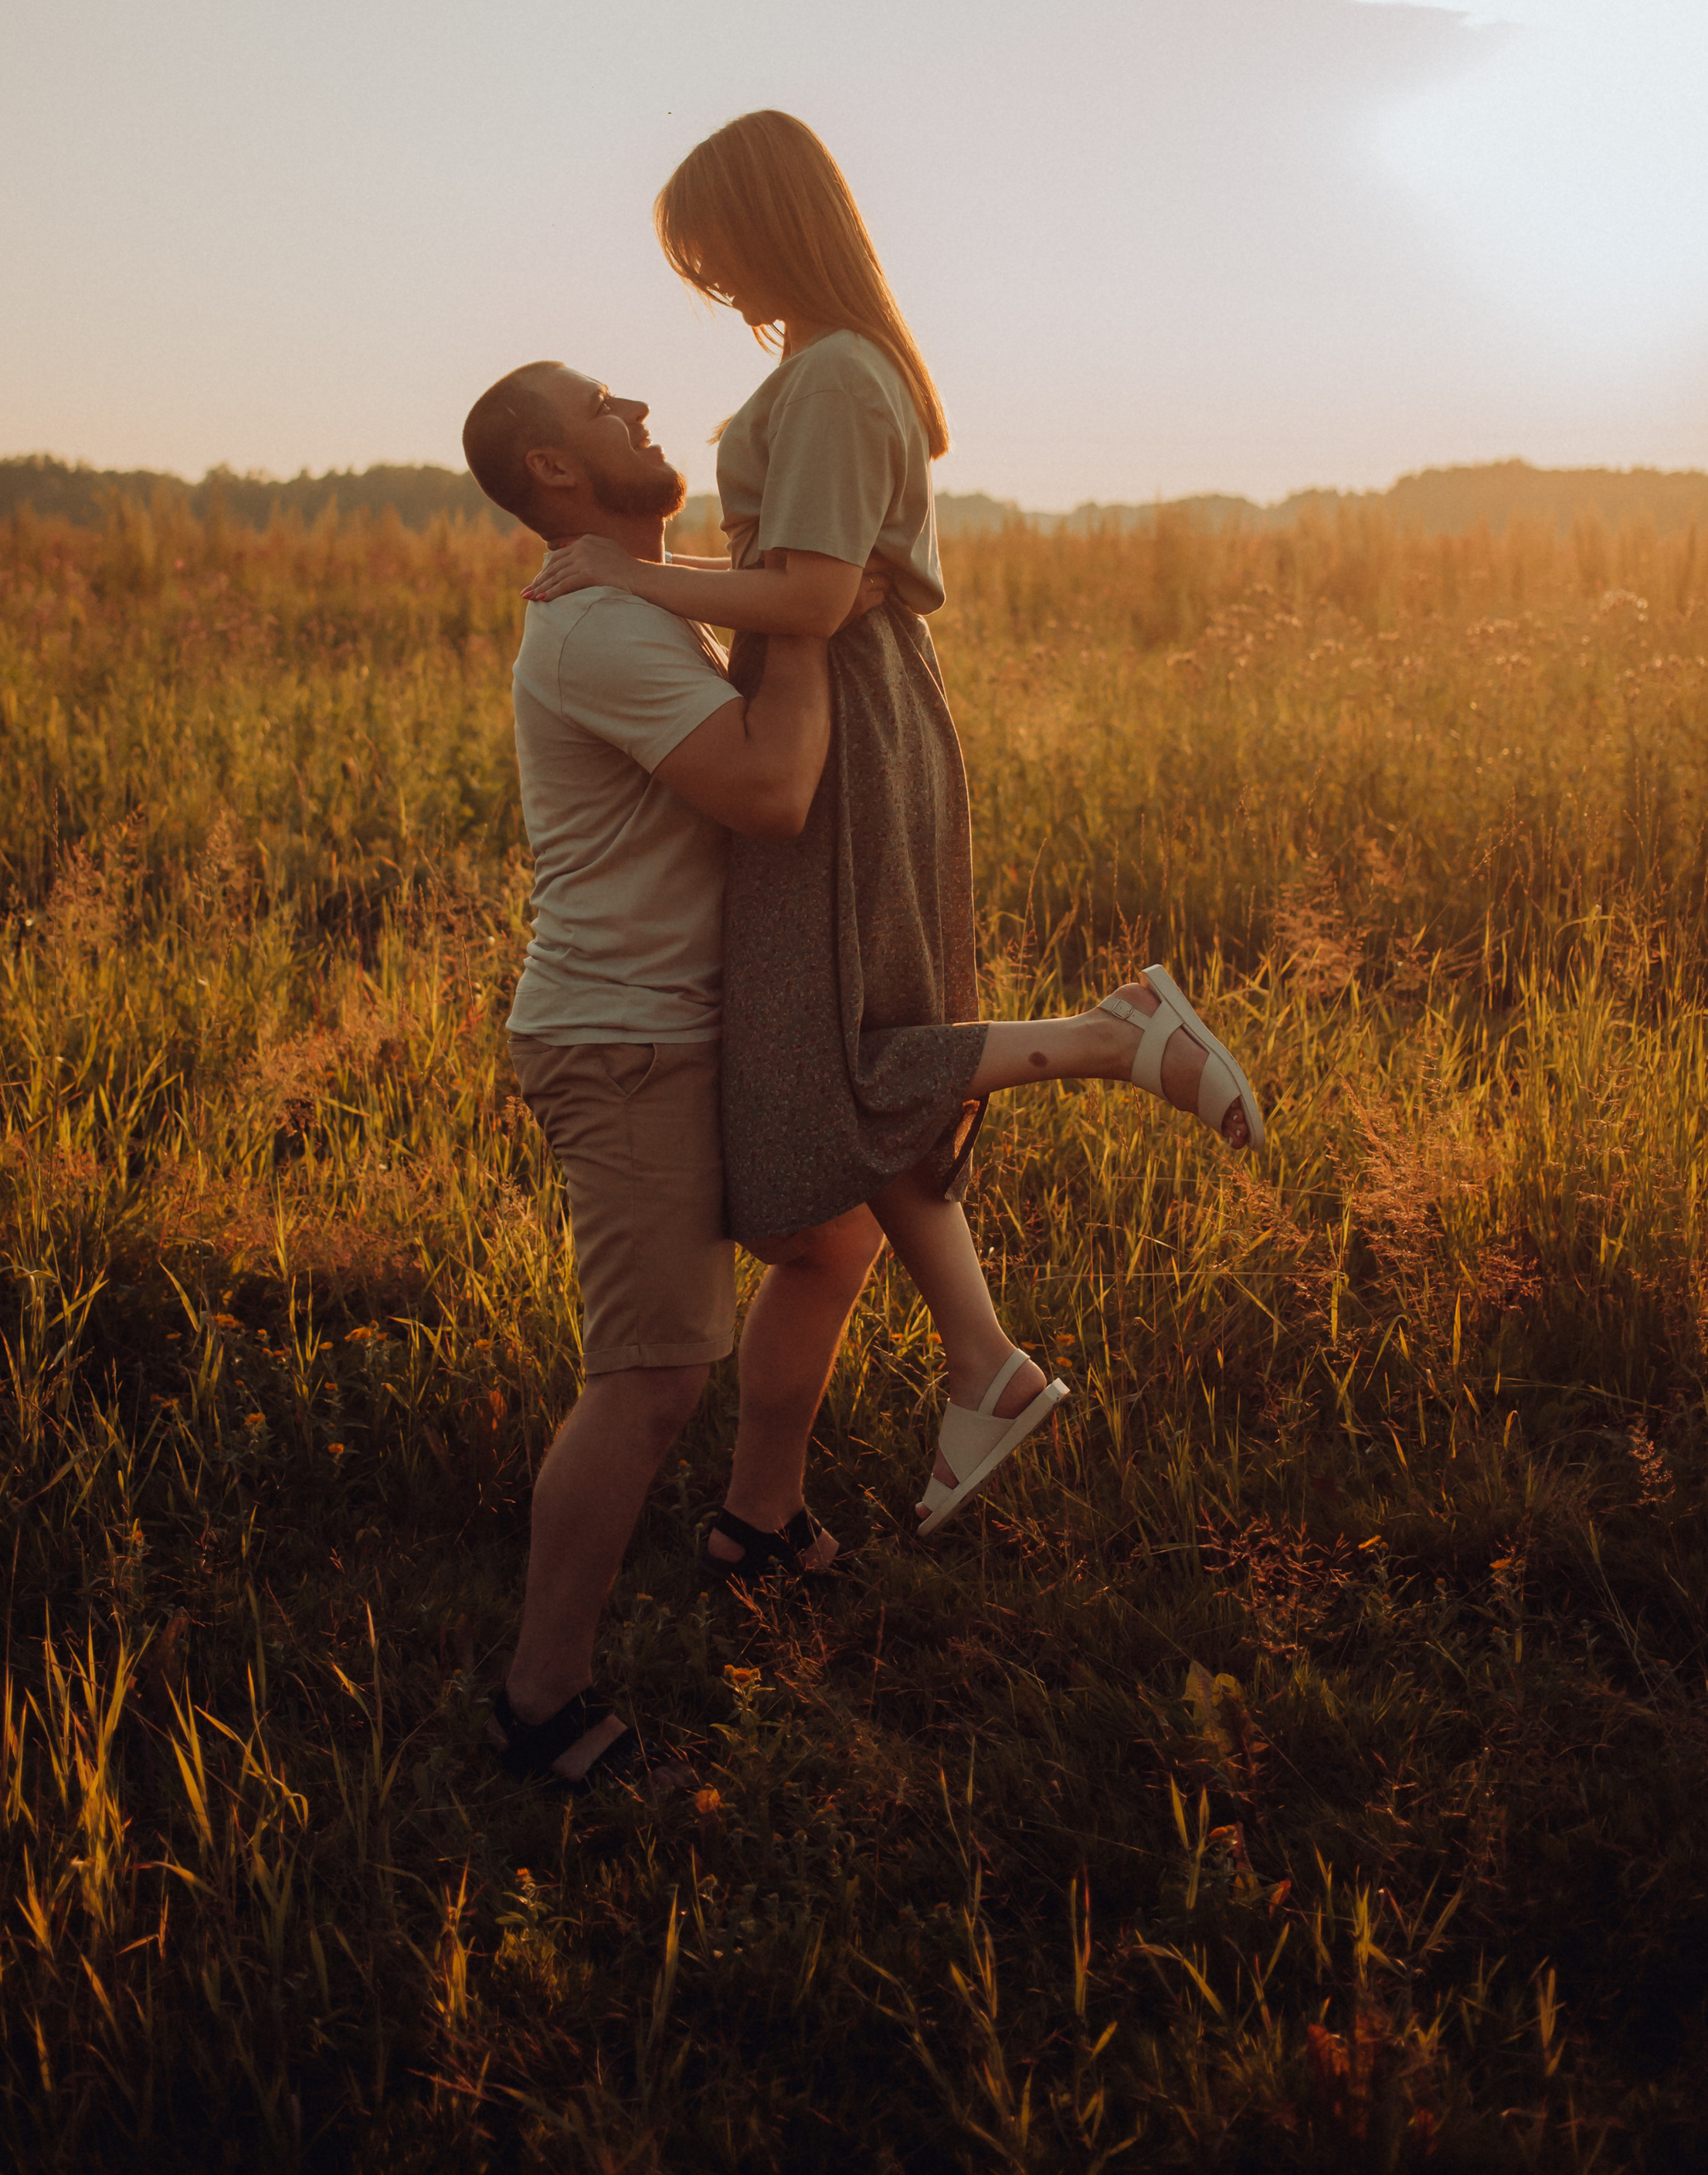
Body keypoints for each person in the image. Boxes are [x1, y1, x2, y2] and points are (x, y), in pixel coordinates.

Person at [525, 109, 1265, 1538]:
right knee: (840, 1091)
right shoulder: (826, 369)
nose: (715, 287)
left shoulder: (841, 378)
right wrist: (691, 580)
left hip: (844, 726)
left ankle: (1121, 1037)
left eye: (713, 253)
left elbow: (808, 598)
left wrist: (631, 580)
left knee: (840, 1068)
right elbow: (813, 584)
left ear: (769, 223)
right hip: (842, 705)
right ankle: (950, 1386)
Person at [460, 357, 891, 1789]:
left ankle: (757, 1523)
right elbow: (771, 794)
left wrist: (770, 596)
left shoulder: (643, 600)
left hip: (694, 1021)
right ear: (552, 473)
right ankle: (542, 1706)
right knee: (648, 1381)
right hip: (625, 1036)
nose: (637, 409)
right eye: (600, 407)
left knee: (831, 1236)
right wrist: (812, 623)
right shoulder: (596, 627)